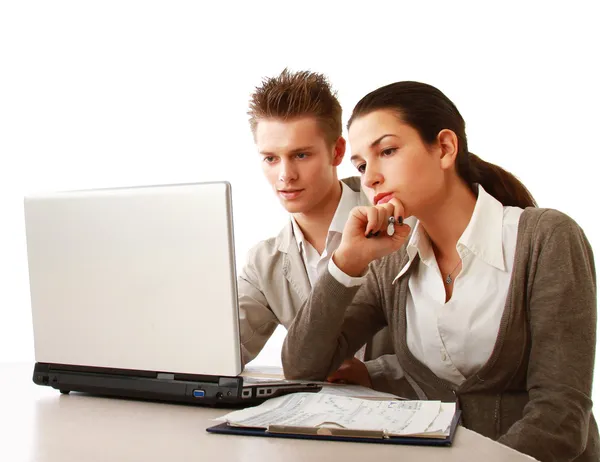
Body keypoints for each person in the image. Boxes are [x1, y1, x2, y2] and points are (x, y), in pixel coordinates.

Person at [281, 80, 599, 461]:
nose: (370, 178)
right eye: (362, 165)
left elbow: (560, 420)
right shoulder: (391, 260)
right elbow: (302, 365)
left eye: (388, 151)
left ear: (445, 148)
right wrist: (347, 263)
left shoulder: (545, 238)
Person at [238, 69, 398, 383]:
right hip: (314, 422)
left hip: (412, 415)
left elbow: (451, 352)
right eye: (271, 158)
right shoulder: (264, 263)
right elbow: (218, 352)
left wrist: (376, 373)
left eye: (300, 155)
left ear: (337, 151)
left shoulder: (397, 218)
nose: (285, 175)